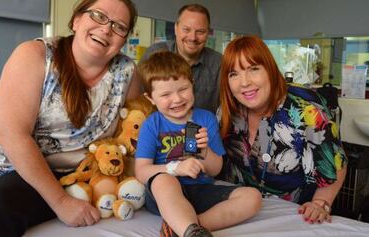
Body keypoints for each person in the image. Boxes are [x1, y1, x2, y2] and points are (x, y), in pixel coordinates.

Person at [0, 0, 140, 236]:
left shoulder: (127, 74)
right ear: (77, 20)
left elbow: (135, 132)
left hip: (43, 172)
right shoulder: (35, 55)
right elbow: (13, 135)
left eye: (119, 26)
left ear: (124, 39)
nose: (107, 29)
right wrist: (62, 203)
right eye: (98, 16)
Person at [218, 35, 348, 225]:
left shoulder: (307, 108)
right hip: (238, 212)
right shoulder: (227, 111)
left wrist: (321, 203)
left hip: (294, 215)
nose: (244, 82)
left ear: (270, 69)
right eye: (233, 74)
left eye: (253, 69)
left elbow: (336, 165)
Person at [135, 51, 261, 237]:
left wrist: (205, 152)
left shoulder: (206, 119)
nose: (177, 99)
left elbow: (215, 169)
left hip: (200, 188)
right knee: (163, 180)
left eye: (183, 89)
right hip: (166, 194)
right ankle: (186, 226)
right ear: (150, 99)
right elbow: (141, 172)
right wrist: (176, 168)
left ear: (192, 84)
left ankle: (189, 229)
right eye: (166, 94)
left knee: (253, 197)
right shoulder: (152, 124)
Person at [139, 3, 221, 113]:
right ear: (176, 28)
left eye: (200, 32)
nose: (193, 37)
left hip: (203, 128)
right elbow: (139, 99)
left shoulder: (219, 63)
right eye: (186, 30)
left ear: (208, 33)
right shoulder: (154, 54)